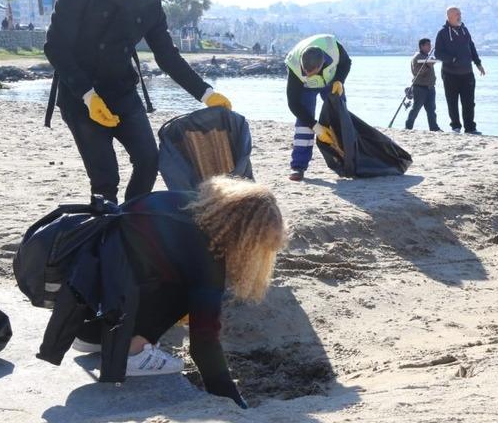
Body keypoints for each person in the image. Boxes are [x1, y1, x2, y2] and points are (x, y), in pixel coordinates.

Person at [71, 176, 286, 409]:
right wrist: (233, 400)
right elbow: (203, 341)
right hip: (108, 280)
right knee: (188, 292)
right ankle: (133, 353)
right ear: (245, 238)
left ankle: (92, 336)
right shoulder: (207, 260)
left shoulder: (186, 201)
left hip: (85, 280)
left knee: (165, 272)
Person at [44, 0, 232, 204]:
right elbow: (55, 46)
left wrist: (206, 93)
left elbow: (167, 55)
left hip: (123, 92)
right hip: (80, 95)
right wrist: (88, 95)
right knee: (105, 179)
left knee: (148, 161)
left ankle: (130, 222)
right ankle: (105, 231)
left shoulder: (149, 1)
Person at [284, 33, 351, 181]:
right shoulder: (295, 67)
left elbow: (346, 63)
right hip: (306, 89)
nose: (306, 75)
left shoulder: (333, 47)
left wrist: (340, 80)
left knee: (340, 117)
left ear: (321, 65)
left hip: (331, 82)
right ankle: (298, 167)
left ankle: (347, 160)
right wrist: (315, 126)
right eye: (305, 72)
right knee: (304, 125)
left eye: (310, 72)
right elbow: (293, 104)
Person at [434, 6, 485, 134]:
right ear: (449, 16)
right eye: (457, 14)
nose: (460, 16)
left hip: (467, 73)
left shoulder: (464, 30)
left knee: (469, 102)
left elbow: (471, 47)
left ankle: (470, 128)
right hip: (450, 74)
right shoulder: (442, 33)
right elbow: (438, 53)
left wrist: (478, 63)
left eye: (460, 13)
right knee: (452, 102)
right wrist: (453, 59)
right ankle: (455, 127)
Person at [405, 38, 441, 131]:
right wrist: (429, 63)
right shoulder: (418, 56)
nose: (430, 47)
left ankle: (434, 128)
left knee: (431, 110)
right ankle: (408, 126)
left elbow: (432, 61)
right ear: (422, 46)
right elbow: (418, 71)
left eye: (430, 45)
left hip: (430, 87)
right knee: (416, 108)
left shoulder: (426, 56)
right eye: (428, 45)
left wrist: (431, 61)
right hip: (420, 87)